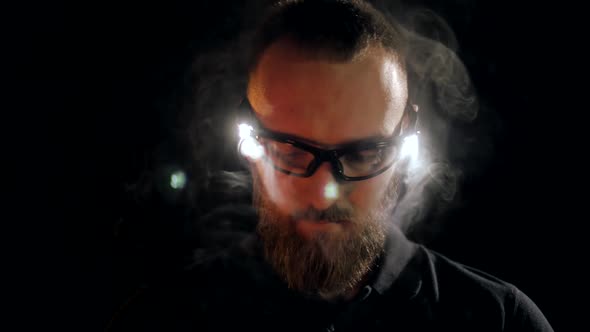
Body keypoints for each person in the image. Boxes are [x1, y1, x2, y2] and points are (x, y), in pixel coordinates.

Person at [108, 0, 553, 331]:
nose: (324, 192)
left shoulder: (500, 323)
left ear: (405, 136)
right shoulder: (163, 319)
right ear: (249, 133)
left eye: (362, 153)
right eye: (290, 150)